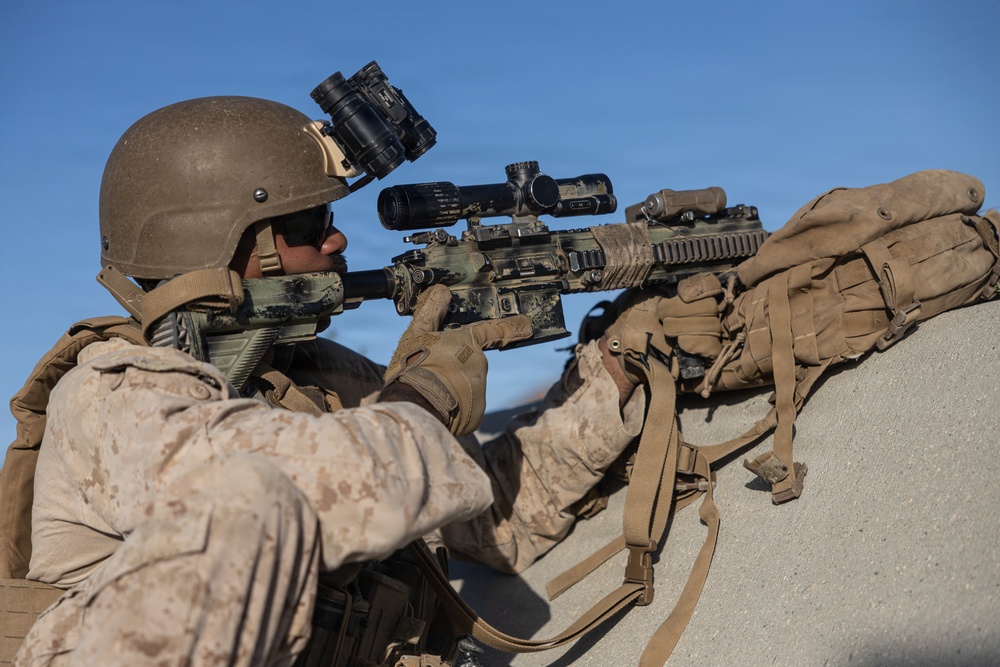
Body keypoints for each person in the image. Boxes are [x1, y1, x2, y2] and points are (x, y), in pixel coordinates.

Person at [5, 93, 655, 666]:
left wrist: (618, 360)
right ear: (223, 243)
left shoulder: (319, 380)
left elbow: (493, 520)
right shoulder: (115, 394)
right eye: (310, 224)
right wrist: (424, 395)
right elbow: (307, 497)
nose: (338, 241)